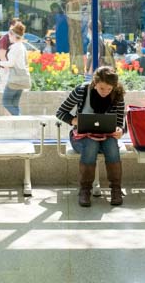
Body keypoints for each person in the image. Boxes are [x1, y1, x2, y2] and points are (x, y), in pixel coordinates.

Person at [56, 66, 126, 207]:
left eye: (109, 89)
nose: (105, 92)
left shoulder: (118, 94)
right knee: (91, 145)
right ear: (95, 83)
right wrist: (75, 120)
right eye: (101, 88)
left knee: (112, 146)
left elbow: (119, 124)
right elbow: (61, 112)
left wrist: (120, 131)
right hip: (81, 137)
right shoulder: (81, 91)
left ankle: (116, 189)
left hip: (107, 137)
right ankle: (85, 190)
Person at [0, 21, 30, 115]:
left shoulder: (15, 47)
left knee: (6, 102)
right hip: (21, 79)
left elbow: (11, 63)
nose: (8, 37)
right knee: (14, 104)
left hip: (14, 80)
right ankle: (20, 121)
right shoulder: (22, 46)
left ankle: (21, 119)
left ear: (14, 36)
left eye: (9, 35)